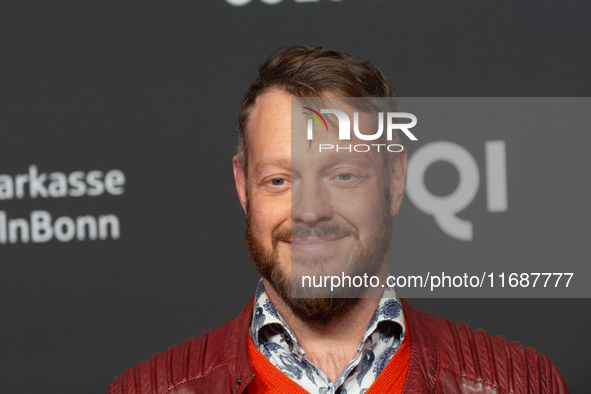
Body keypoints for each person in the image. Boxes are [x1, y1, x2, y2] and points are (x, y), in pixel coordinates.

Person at [105, 45, 568, 394]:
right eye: (279, 180)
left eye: (343, 174)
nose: (310, 211)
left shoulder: (518, 382)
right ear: (244, 187)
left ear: (394, 179)